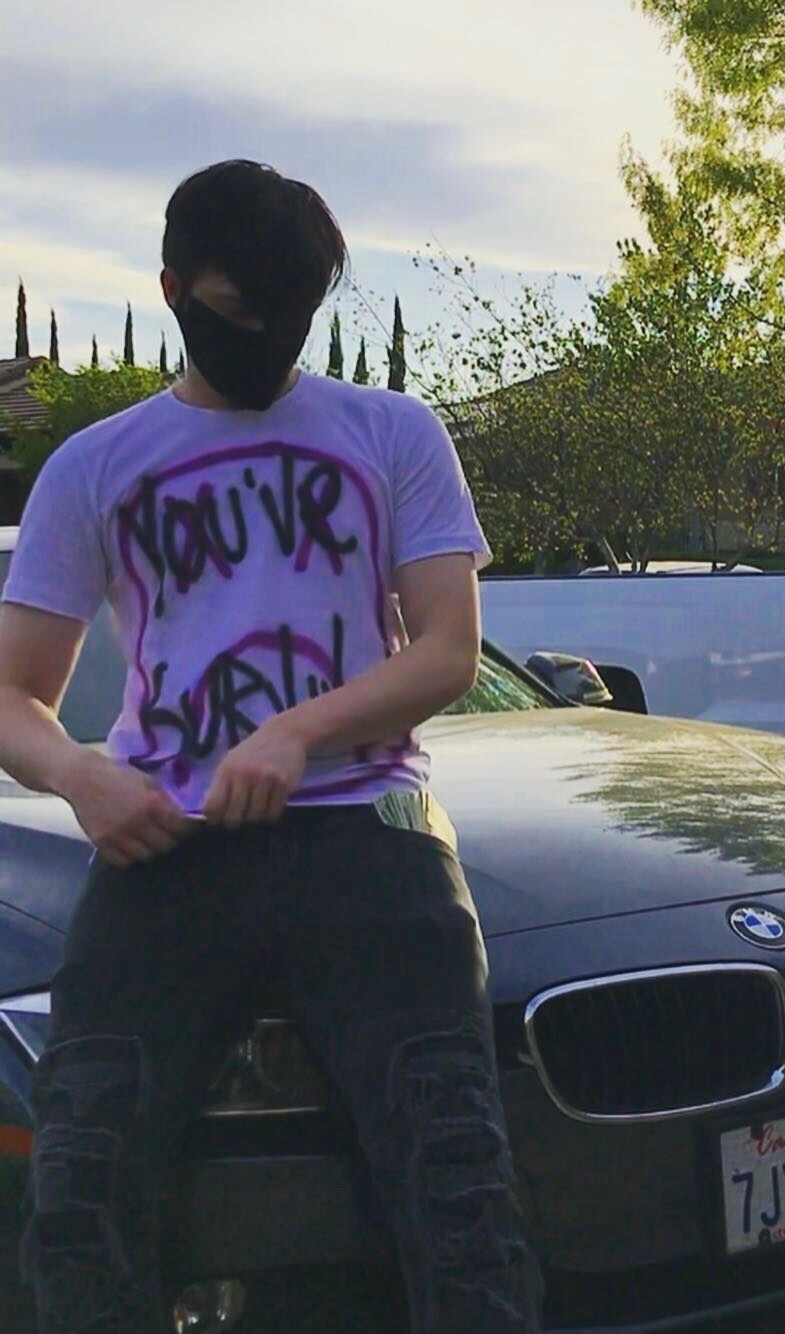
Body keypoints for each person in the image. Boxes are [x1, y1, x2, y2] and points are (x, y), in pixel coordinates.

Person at [0, 159, 544, 1333]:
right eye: (237, 310)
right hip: (166, 845)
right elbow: (12, 693)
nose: (265, 335)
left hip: (368, 833)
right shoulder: (94, 464)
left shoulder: (391, 430)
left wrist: (295, 730)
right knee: (80, 1187)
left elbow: (447, 649)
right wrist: (83, 775)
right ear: (173, 289)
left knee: (456, 1183)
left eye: (291, 312)